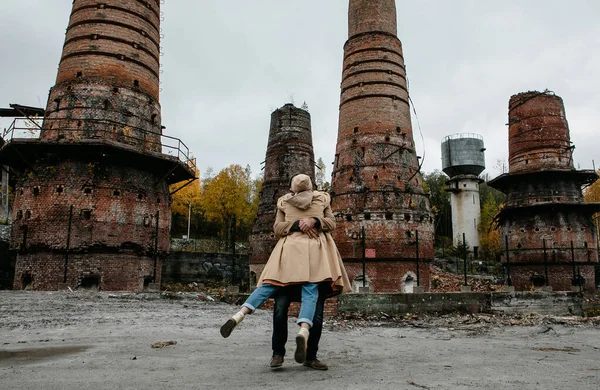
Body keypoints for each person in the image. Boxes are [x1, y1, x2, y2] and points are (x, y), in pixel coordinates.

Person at [220, 174, 350, 364]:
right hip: (317, 260)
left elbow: (278, 229)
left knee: (275, 297)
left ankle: (241, 317)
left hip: (287, 260)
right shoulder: (322, 198)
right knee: (311, 304)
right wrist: (305, 223)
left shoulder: (285, 202)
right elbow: (332, 223)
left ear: (292, 187)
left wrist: (312, 221)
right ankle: (298, 345)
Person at [270, 283, 330, 370]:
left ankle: (311, 357)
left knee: (317, 316)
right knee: (280, 310)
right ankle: (278, 354)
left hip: (314, 279)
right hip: (286, 280)